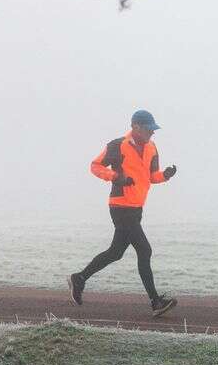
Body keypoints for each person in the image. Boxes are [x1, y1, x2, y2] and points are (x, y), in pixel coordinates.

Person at [67, 109, 179, 317]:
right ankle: (155, 302)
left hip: (136, 208)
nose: (152, 133)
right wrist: (116, 176)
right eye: (148, 129)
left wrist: (165, 175)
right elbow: (95, 166)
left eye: (153, 129)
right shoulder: (118, 145)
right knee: (144, 250)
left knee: (115, 252)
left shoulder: (152, 147)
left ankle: (79, 278)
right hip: (120, 207)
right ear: (136, 127)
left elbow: (151, 176)